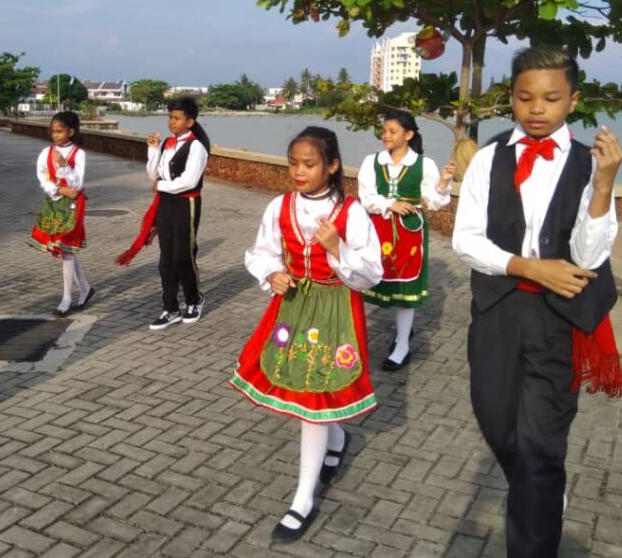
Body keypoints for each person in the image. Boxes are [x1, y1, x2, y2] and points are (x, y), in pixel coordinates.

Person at [452, 47, 622, 558]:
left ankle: (536, 515)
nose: (537, 108)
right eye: (526, 97)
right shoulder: (488, 159)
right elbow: (466, 240)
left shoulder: (586, 164)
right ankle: (544, 491)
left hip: (558, 319)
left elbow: (590, 254)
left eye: (551, 98)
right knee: (497, 423)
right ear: (511, 99)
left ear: (572, 101)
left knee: (540, 447)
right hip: (498, 310)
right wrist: (528, 266)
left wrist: (604, 185)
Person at [230, 127, 382, 542]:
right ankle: (336, 437)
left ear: (332, 166)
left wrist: (337, 248)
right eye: (293, 162)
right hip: (293, 306)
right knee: (302, 386)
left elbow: (371, 273)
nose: (299, 171)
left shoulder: (350, 213)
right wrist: (272, 273)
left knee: (315, 392)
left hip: (335, 310)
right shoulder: (280, 206)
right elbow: (261, 252)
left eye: (309, 164)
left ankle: (303, 497)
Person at [357, 110, 455, 370]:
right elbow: (366, 197)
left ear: (408, 135)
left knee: (405, 287)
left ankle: (402, 345)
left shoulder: (424, 164)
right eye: (384, 131)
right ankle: (382, 334)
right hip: (378, 230)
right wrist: (391, 203)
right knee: (375, 278)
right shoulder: (372, 162)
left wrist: (444, 182)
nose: (385, 135)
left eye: (392, 131)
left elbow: (434, 202)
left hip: (409, 233)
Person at [116, 96, 211, 330]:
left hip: (185, 204)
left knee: (183, 256)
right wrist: (152, 150)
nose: (172, 122)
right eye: (170, 117)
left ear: (189, 122)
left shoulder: (196, 147)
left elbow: (189, 181)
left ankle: (193, 299)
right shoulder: (168, 143)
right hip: (165, 204)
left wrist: (161, 186)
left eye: (177, 118)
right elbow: (154, 174)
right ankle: (170, 308)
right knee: (165, 259)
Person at [28, 111, 94, 315]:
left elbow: (77, 183)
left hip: (73, 203)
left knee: (66, 247)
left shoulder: (79, 154)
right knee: (67, 249)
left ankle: (67, 298)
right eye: (53, 131)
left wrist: (65, 167)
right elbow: (42, 177)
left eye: (59, 131)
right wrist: (57, 189)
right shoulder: (45, 153)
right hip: (55, 201)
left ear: (71, 132)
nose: (55, 135)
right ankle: (84, 287)